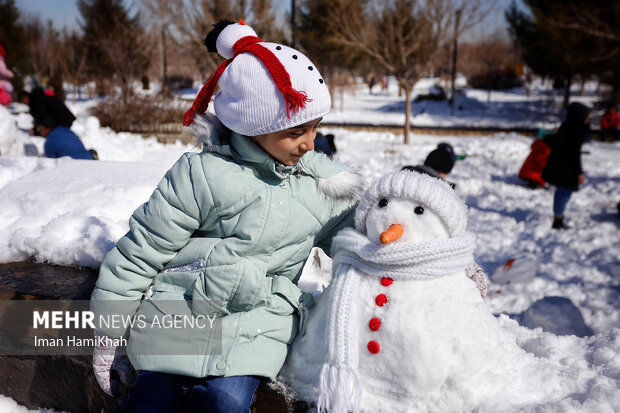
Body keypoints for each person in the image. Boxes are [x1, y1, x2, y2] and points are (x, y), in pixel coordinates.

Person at [90, 20, 363, 412]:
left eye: (315, 128)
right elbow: (143, 249)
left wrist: (436, 254)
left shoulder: (319, 186)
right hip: (181, 311)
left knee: (225, 403)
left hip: (256, 328)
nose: (309, 143)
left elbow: (366, 235)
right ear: (253, 125)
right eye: (295, 130)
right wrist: (109, 329)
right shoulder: (201, 175)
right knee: (153, 398)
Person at [542, 102, 591, 230]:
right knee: (563, 192)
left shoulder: (568, 126)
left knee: (563, 191)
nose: (588, 120)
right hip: (565, 168)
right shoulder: (574, 130)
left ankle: (558, 217)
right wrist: (579, 173)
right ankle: (558, 220)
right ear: (579, 116)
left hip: (562, 165)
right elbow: (574, 155)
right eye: (587, 117)